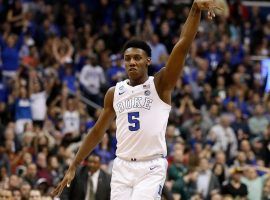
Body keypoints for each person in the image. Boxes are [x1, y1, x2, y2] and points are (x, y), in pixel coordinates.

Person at [52, 0, 222, 199]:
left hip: (151, 166)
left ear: (148, 61)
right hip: (122, 166)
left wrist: (194, 9)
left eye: (137, 58)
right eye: (128, 58)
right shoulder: (114, 92)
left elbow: (182, 45)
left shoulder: (160, 84)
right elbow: (98, 131)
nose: (132, 62)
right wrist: (74, 164)